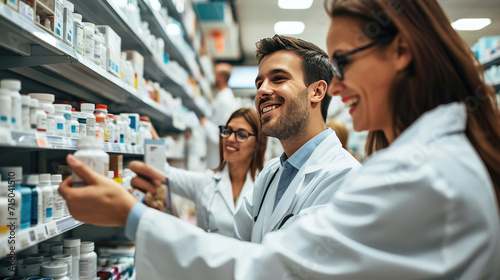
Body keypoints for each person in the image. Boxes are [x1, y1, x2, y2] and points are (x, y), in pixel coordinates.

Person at [59, 0, 500, 278]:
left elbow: (275, 269)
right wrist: (165, 190)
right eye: (258, 81)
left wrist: (132, 218)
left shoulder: (401, 174)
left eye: (343, 61)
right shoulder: (274, 173)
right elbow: (237, 242)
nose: (261, 90)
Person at [134, 107, 267, 237]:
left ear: (257, 144)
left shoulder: (264, 188)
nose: (230, 138)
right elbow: (165, 173)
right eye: (227, 131)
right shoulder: (206, 182)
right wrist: (153, 141)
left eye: (241, 134)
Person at [201, 63, 239, 169]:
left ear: (221, 77)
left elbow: (224, 132)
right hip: (213, 152)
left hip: (217, 155)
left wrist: (206, 123)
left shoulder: (225, 100)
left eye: (215, 74)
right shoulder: (221, 96)